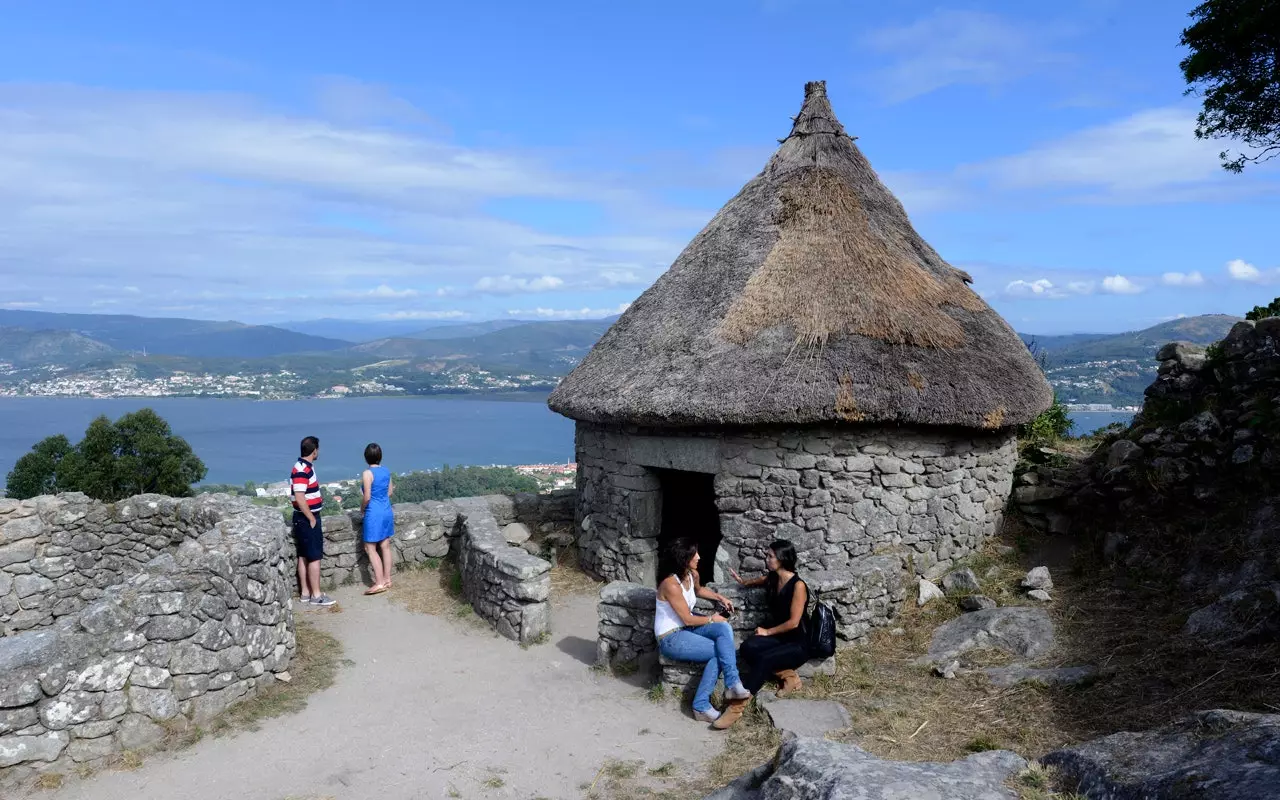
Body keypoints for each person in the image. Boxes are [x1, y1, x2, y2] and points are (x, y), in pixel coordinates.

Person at [655, 537, 752, 729]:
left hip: (687, 629)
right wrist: (711, 618)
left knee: (724, 627)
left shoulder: (691, 574)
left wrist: (720, 597)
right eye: (694, 554)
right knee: (719, 652)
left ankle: (732, 684)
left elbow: (698, 591)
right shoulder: (670, 585)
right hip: (671, 637)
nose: (699, 557)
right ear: (684, 558)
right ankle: (700, 705)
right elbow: (688, 619)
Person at [729, 540, 810, 697]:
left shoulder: (798, 585)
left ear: (782, 558)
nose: (767, 559)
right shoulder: (774, 578)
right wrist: (743, 582)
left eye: (770, 556)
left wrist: (767, 632)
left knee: (764, 659)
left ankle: (741, 699)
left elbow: (794, 623)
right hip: (780, 638)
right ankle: (788, 676)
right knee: (747, 648)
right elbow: (761, 580)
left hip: (797, 643)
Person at [291, 436, 335, 607]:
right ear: (314, 450)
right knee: (314, 557)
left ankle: (305, 593)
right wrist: (311, 518)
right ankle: (316, 596)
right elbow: (300, 497)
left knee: (303, 556)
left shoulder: (302, 466)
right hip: (307, 518)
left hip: (301, 518)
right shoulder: (303, 470)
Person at [359, 442, 395, 595]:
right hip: (386, 510)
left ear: (366, 457)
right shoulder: (386, 471)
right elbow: (390, 491)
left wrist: (362, 509)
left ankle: (379, 582)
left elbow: (367, 497)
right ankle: (387, 579)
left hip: (373, 512)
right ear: (380, 456)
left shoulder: (367, 473)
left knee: (370, 547)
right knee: (385, 545)